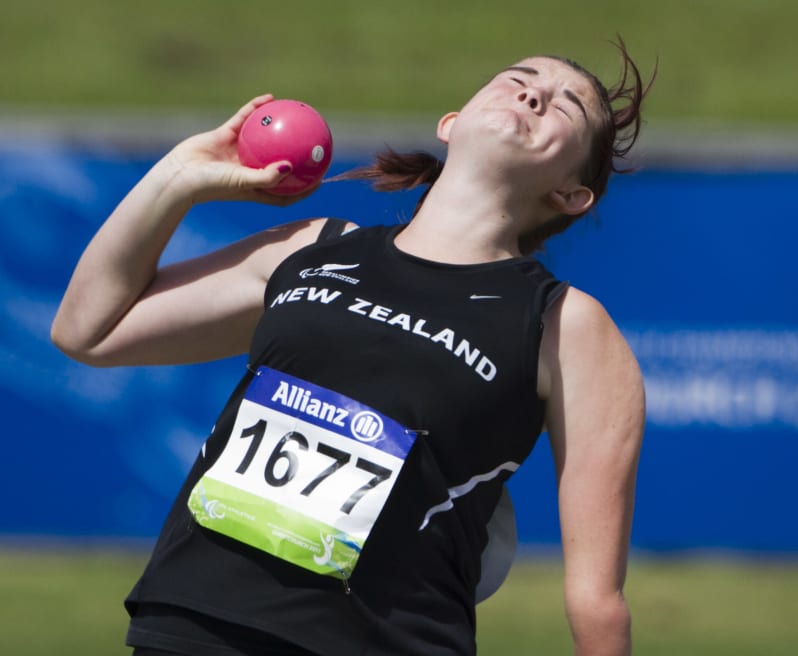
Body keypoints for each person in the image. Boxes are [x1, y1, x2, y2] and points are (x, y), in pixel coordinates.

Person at [52, 38, 652, 656]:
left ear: (573, 195)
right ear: (451, 123)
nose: (532, 93)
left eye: (565, 108)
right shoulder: (315, 248)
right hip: (193, 628)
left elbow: (597, 603)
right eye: (518, 77)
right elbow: (89, 331)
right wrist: (179, 176)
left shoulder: (566, 326)